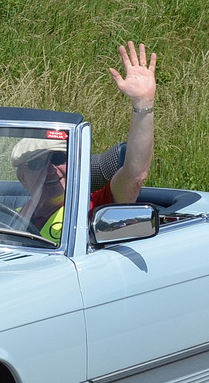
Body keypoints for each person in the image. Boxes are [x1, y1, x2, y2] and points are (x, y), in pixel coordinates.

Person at [11, 40, 157, 241]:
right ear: (22, 177)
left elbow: (136, 176)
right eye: (37, 163)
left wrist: (143, 103)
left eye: (58, 158)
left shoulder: (92, 208)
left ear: (74, 165)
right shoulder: (11, 218)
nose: (51, 169)